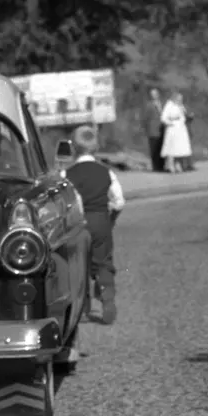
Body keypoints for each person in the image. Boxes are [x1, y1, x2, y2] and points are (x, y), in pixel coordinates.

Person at [64, 125, 125, 325]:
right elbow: (118, 201)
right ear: (96, 147)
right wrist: (111, 218)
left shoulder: (67, 175)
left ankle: (83, 307)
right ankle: (107, 300)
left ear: (73, 148)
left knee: (79, 264)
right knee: (103, 262)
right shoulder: (106, 172)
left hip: (78, 224)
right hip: (101, 221)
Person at [160, 91, 192, 173]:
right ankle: (170, 166)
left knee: (179, 148)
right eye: (179, 98)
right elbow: (163, 117)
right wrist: (170, 123)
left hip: (180, 129)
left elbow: (183, 116)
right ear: (174, 98)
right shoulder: (169, 105)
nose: (180, 100)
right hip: (172, 128)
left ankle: (178, 165)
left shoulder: (180, 106)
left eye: (181, 99)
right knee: (171, 148)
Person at [144, 88, 165, 172]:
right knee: (154, 149)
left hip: (162, 130)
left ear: (158, 94)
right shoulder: (149, 105)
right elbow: (145, 119)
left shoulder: (162, 103)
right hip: (153, 131)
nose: (154, 96)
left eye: (155, 94)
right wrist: (147, 129)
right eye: (152, 94)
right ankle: (156, 167)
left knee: (162, 148)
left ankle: (162, 165)